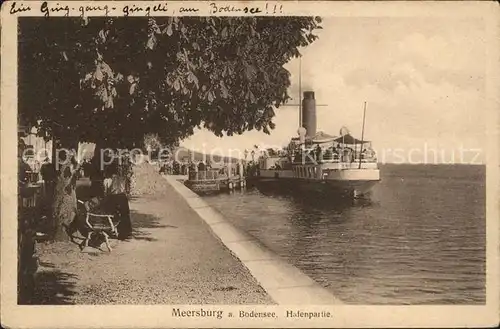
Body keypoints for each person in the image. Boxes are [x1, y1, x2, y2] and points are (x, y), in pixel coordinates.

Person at [103, 161, 132, 240]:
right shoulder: (123, 178)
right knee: (125, 214)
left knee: (111, 212)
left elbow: (105, 193)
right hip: (122, 198)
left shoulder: (107, 180)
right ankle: (126, 233)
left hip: (113, 198)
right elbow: (127, 190)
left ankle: (110, 229)